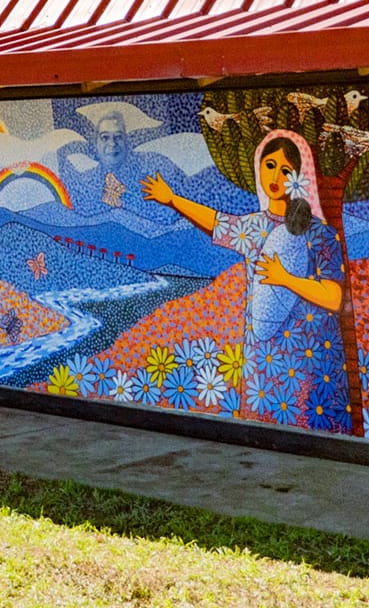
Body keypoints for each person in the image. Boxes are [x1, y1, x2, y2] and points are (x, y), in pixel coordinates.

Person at [141, 131, 350, 434]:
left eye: (285, 169)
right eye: (269, 165)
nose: (276, 176)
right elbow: (215, 221)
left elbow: (333, 298)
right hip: (264, 356)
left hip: (308, 355)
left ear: (298, 176)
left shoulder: (319, 234)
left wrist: (286, 279)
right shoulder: (253, 227)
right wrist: (172, 199)